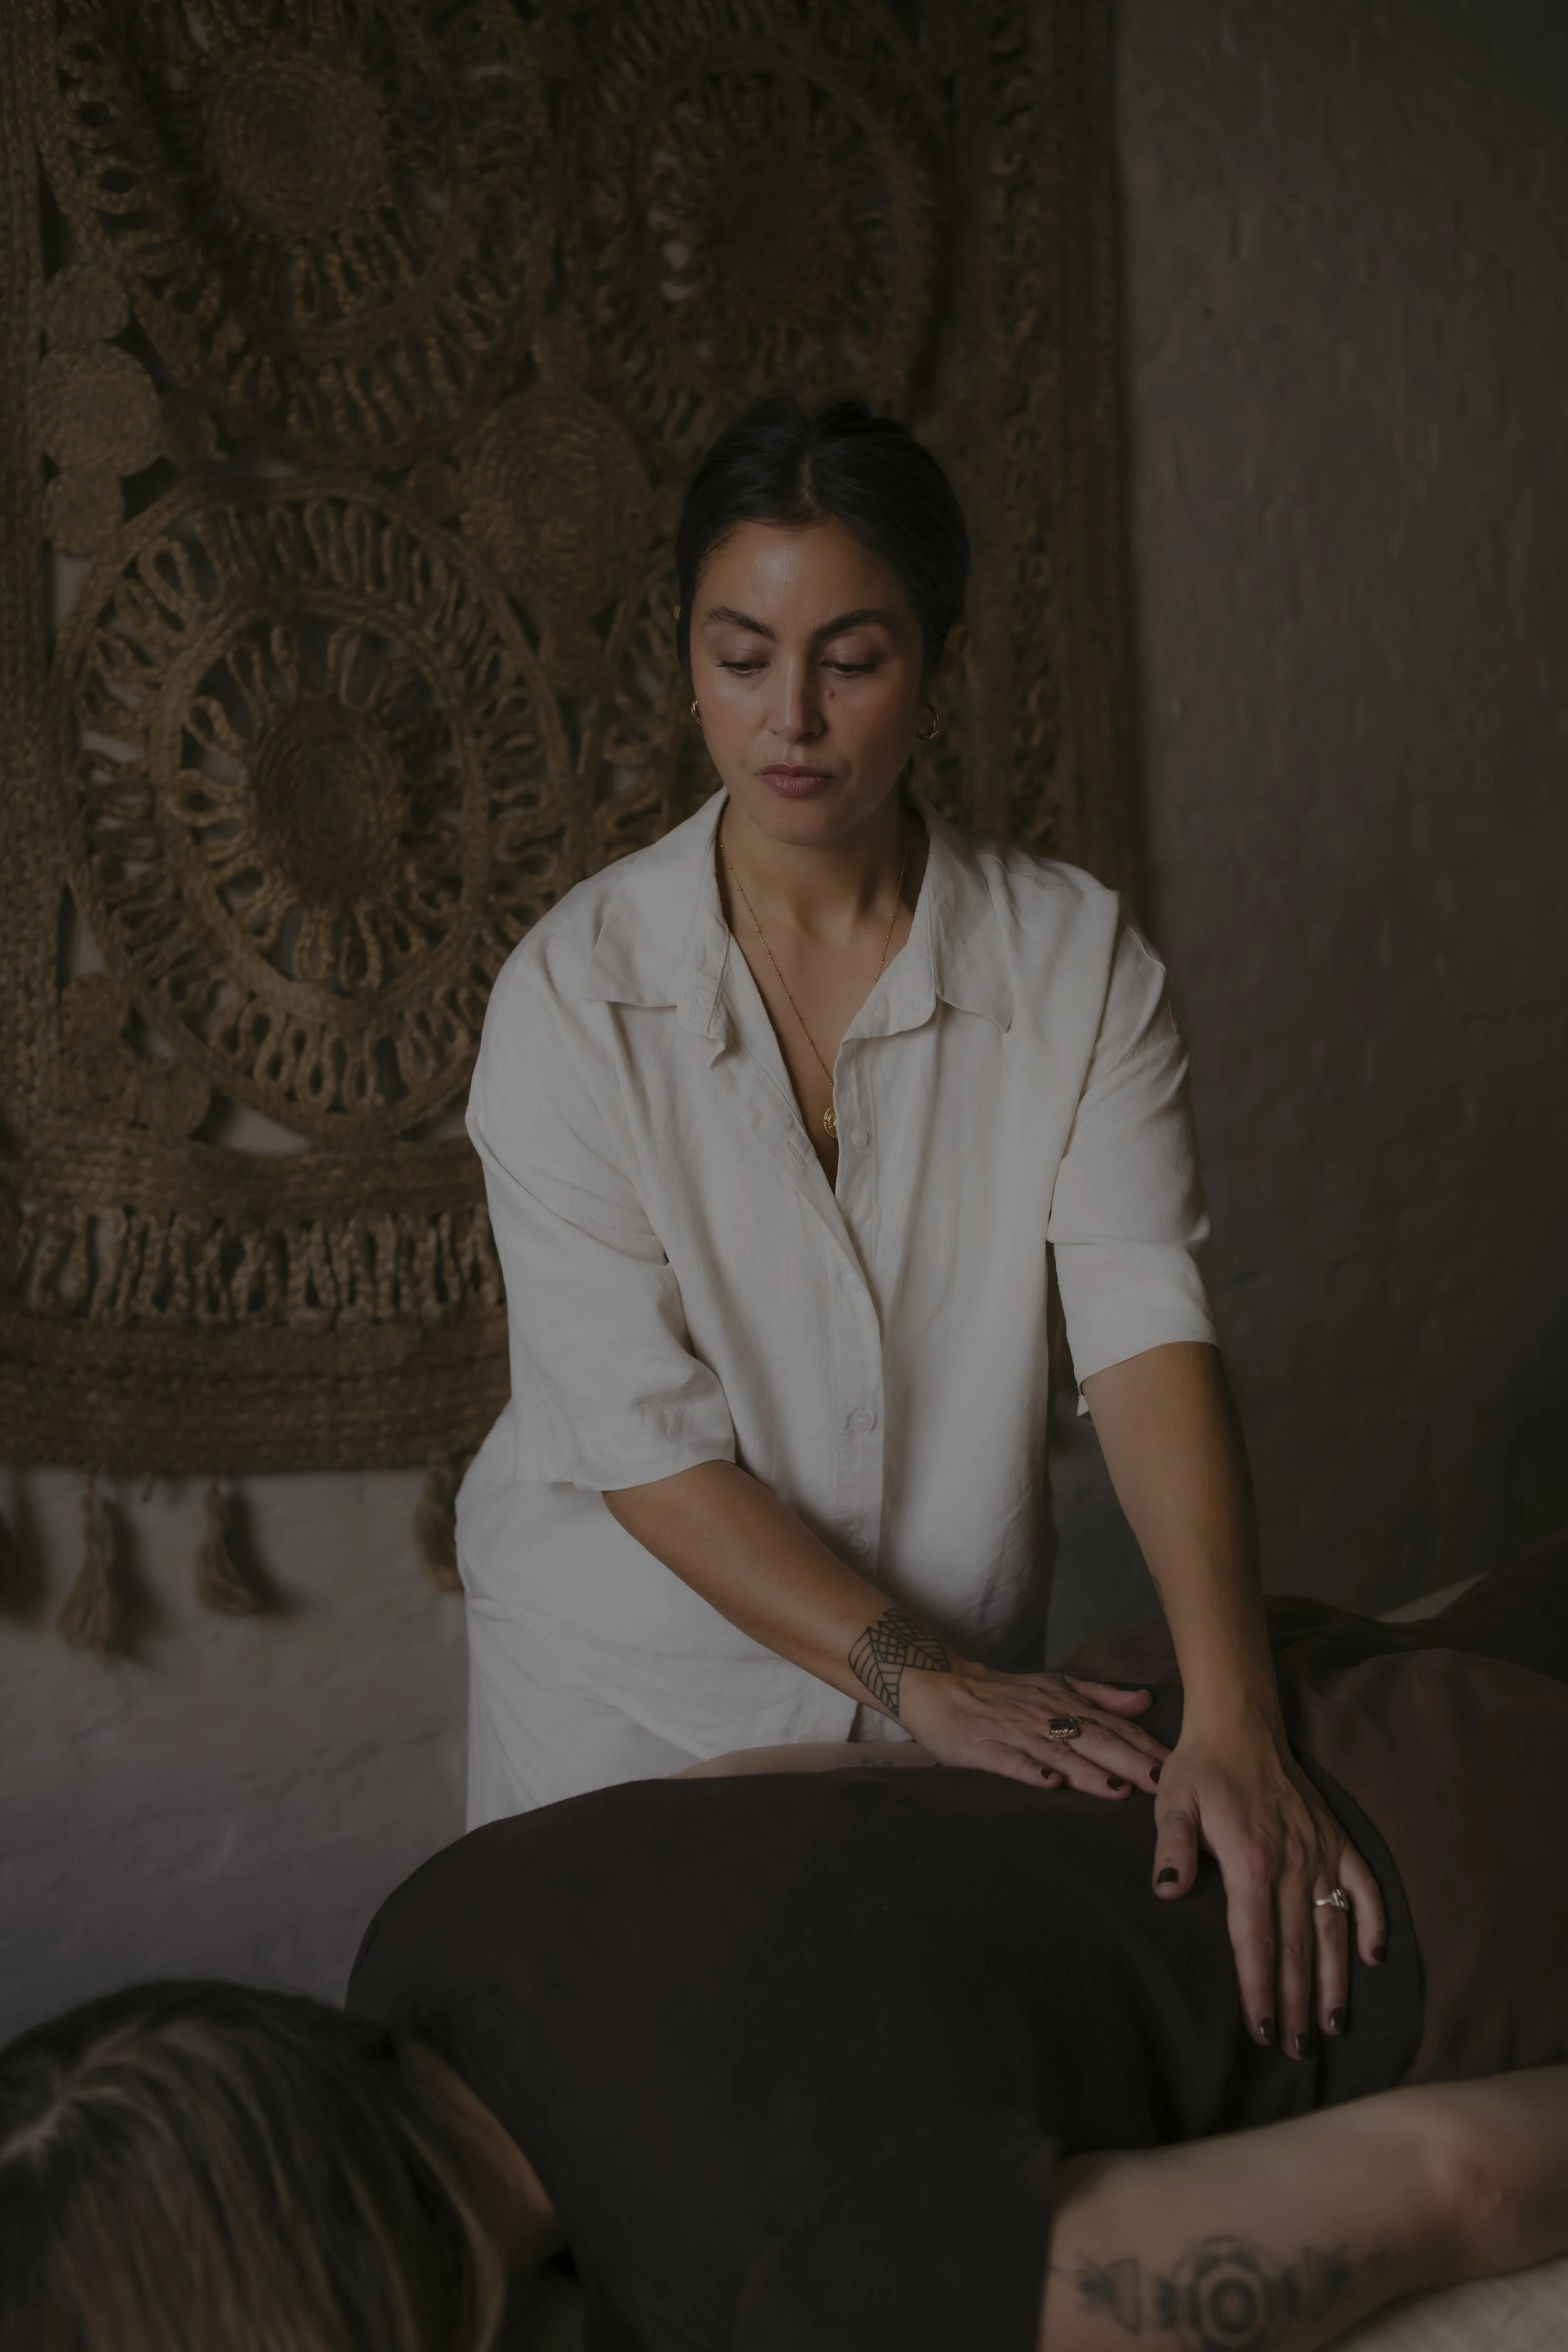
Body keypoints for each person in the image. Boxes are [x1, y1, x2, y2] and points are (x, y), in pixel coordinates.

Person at [458, 395, 1370, 2047]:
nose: (786, 717)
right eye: (740, 655)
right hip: (625, 1687)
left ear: (938, 661)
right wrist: (914, 1674)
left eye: (849, 657)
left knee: (881, 2087)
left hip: (958, 1686)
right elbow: (640, 1440)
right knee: (626, 2102)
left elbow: (1142, 1327)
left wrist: (1238, 1714)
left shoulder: (1073, 963)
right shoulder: (569, 1000)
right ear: (684, 656)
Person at [5, 1555, 1568, 2352]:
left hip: (1433, 1880)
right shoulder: (429, 1922)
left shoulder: (798, 2286)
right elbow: (804, 1785)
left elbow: (1454, 2184)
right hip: (1197, 1696)